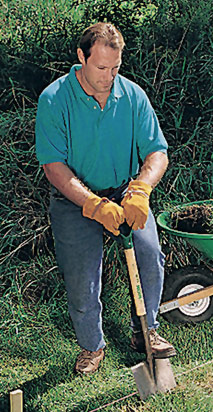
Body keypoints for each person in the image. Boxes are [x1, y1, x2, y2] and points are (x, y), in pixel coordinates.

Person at [35, 22, 176, 374]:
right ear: (81, 57)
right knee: (83, 276)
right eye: (101, 68)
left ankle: (146, 331)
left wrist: (141, 189)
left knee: (149, 254)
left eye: (115, 68)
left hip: (123, 190)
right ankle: (92, 346)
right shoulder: (54, 100)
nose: (108, 76)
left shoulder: (132, 95)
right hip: (75, 199)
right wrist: (93, 205)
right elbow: (53, 167)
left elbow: (158, 152)